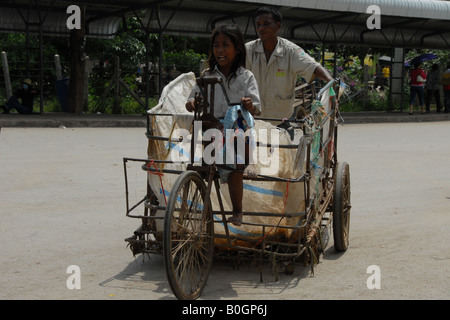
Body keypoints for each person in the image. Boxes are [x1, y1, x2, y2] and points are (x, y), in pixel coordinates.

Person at [185, 24, 261, 226]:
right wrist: (193, 103)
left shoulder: (246, 77)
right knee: (200, 165)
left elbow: (257, 108)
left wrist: (249, 104)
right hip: (211, 130)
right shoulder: (207, 75)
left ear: (237, 49)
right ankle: (197, 207)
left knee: (234, 167)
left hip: (236, 132)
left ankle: (237, 211)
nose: (220, 50)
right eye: (216, 45)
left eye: (225, 45)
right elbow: (190, 101)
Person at [245, 6, 333, 120]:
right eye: (258, 25)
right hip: (254, 121)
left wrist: (331, 82)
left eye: (266, 24)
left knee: (278, 137)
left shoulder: (291, 51)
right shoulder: (248, 50)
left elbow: (312, 66)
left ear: (278, 26)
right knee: (257, 137)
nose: (261, 28)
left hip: (280, 120)